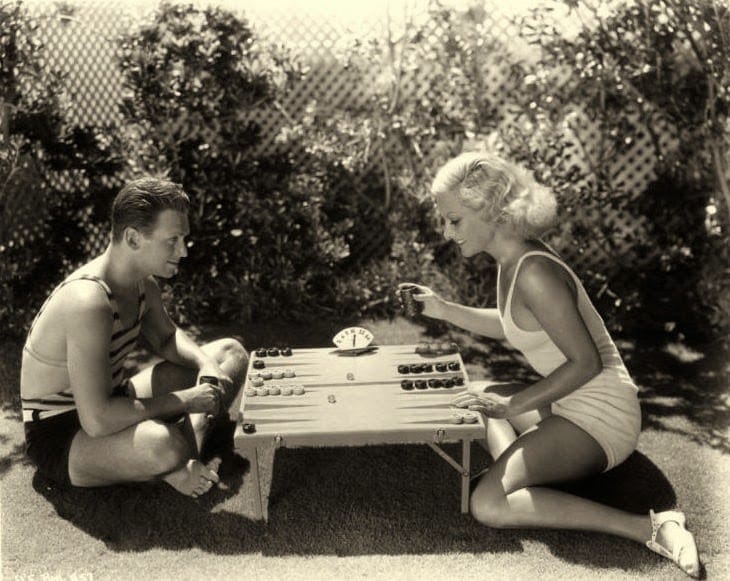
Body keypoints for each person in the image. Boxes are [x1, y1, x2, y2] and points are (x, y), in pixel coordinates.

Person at [399, 151, 700, 578]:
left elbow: (586, 363)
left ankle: (651, 526)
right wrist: (443, 308)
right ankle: (529, 472)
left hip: (600, 418)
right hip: (567, 407)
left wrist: (515, 405)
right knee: (476, 394)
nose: (447, 232)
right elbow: (512, 325)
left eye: (454, 220)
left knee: (487, 504)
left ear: (490, 212)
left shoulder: (532, 272)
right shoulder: (513, 258)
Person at [21, 177, 248, 498]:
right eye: (172, 240)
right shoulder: (89, 302)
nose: (183, 251)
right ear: (133, 238)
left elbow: (166, 340)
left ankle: (187, 451)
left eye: (183, 239)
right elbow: (97, 420)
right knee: (161, 444)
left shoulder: (143, 284)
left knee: (230, 353)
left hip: (115, 397)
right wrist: (187, 400)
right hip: (65, 432)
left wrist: (205, 364)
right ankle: (175, 455)